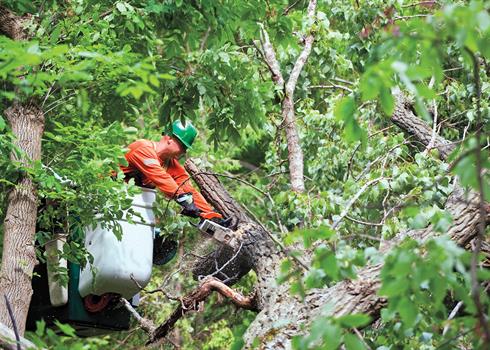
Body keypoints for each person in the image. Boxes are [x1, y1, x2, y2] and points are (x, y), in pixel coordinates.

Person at [120, 119, 227, 224]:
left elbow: (187, 188)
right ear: (170, 138)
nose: (184, 151)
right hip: (112, 199)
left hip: (135, 207)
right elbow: (161, 178)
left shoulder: (170, 163)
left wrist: (209, 213)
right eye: (182, 146)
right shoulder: (143, 148)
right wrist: (184, 199)